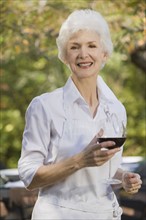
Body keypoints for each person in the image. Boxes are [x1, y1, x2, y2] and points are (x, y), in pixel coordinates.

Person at [18, 9, 142, 220]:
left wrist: (124, 178)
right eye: (74, 47)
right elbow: (29, 177)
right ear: (65, 56)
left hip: (105, 214)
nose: (83, 54)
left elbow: (106, 169)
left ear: (104, 53)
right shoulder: (44, 106)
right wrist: (80, 160)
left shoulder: (116, 109)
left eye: (91, 46)